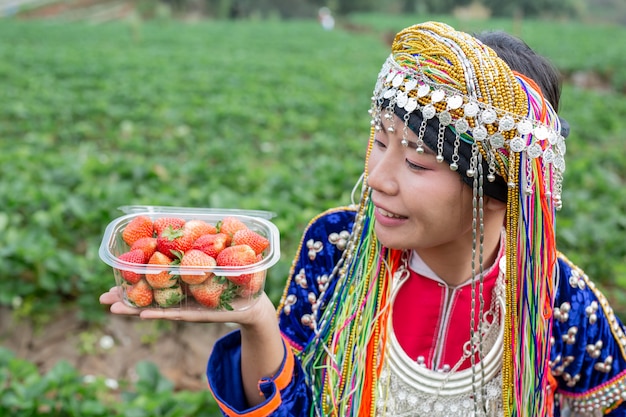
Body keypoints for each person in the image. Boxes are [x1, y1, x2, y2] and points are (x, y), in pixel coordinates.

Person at [100, 21, 626, 416]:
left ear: (500, 190)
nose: (376, 176)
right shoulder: (336, 250)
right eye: (378, 140)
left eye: (417, 159)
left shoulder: (561, 305)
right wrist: (258, 321)